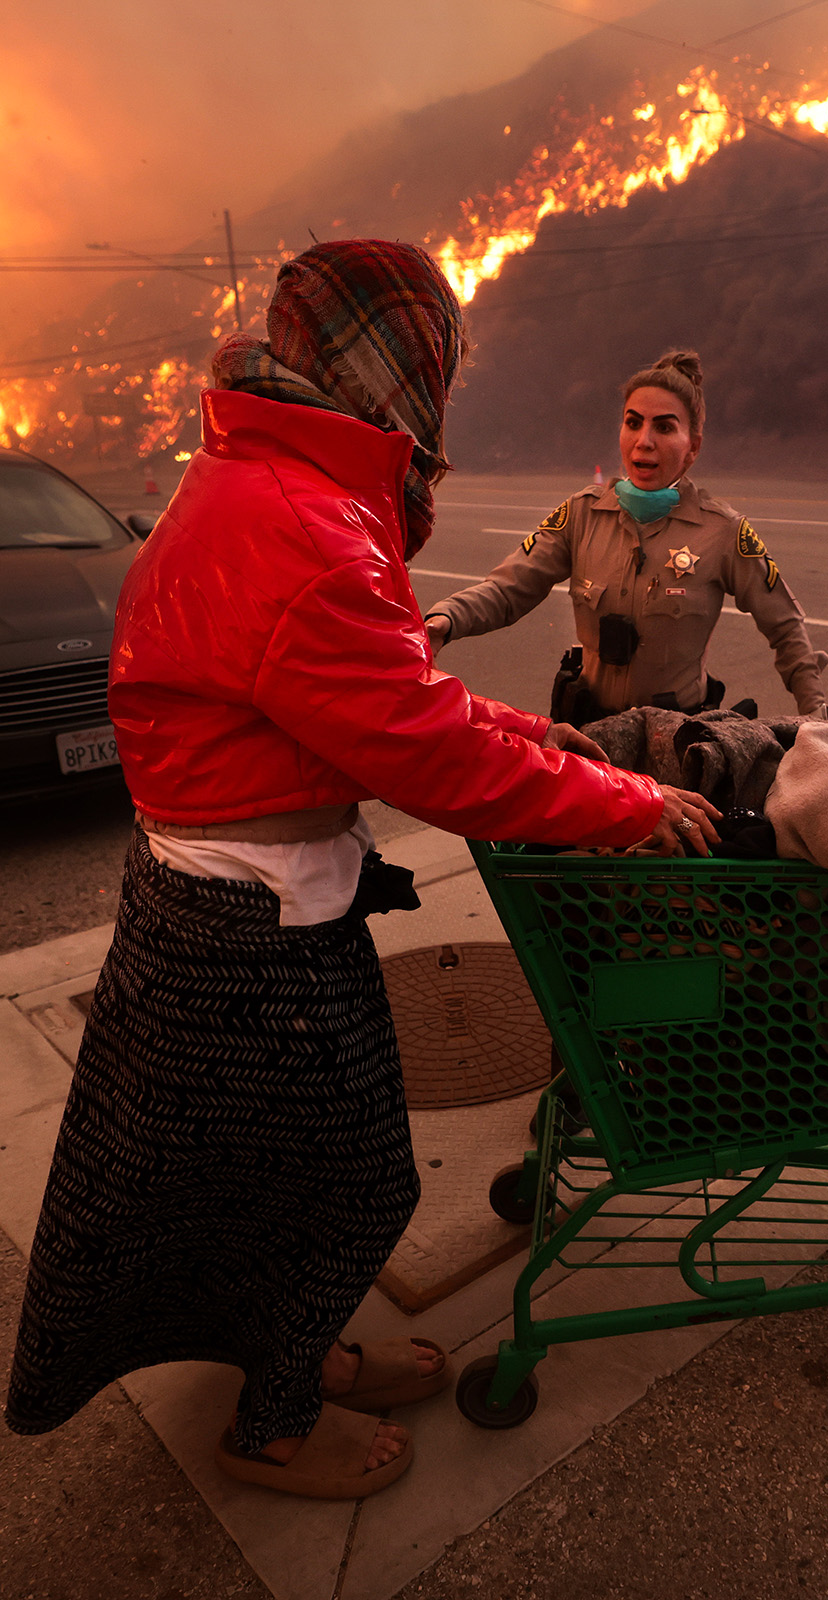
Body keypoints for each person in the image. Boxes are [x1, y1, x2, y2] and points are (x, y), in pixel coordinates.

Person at [5, 245, 719, 1502]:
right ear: (400, 367)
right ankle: (272, 1423)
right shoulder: (303, 521)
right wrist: (619, 801)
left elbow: (389, 700)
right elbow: (422, 753)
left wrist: (537, 737)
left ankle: (302, 1351)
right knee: (353, 1181)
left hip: (227, 894)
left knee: (269, 1174)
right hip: (247, 923)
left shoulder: (266, 473)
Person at [425, 350, 828, 727]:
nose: (644, 440)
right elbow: (507, 590)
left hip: (676, 741)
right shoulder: (581, 515)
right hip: (590, 739)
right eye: (633, 422)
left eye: (665, 427)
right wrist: (446, 619)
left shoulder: (723, 532)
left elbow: (785, 628)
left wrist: (817, 718)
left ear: (693, 448)